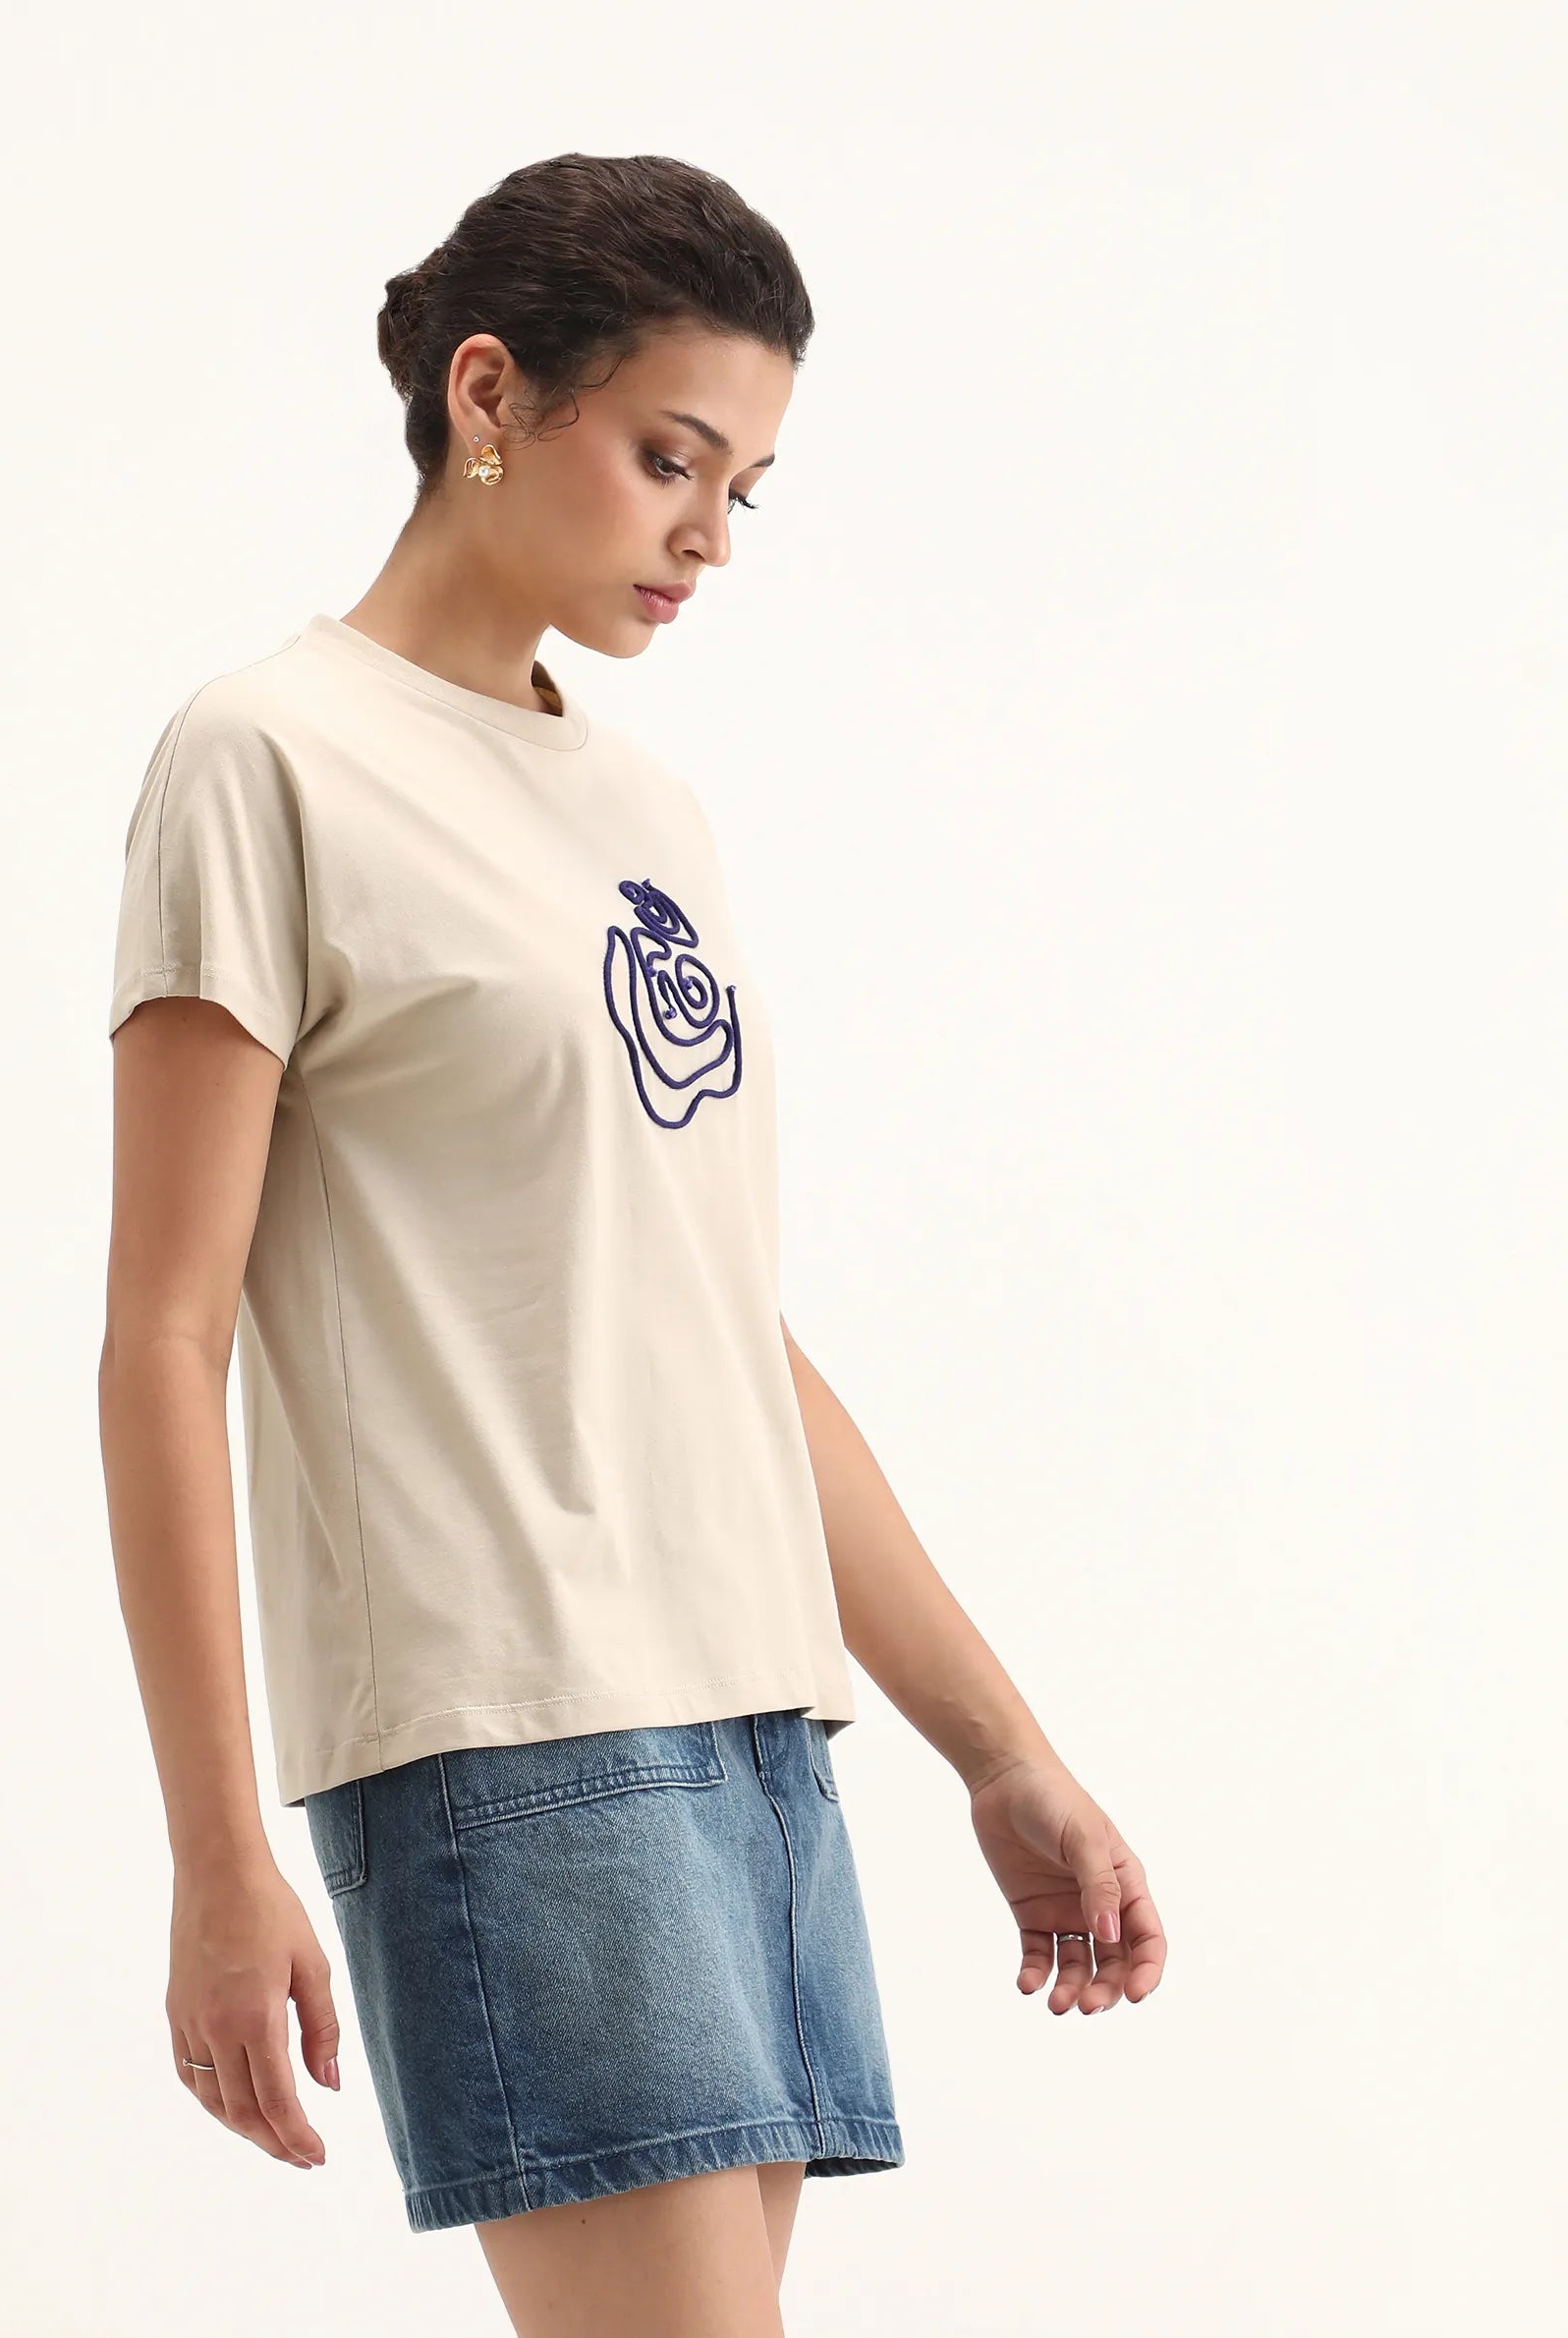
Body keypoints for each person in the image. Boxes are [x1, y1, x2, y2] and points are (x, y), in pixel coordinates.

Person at [98, 150, 1166, 2336]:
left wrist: (999, 1746)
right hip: (513, 1726)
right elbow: (164, 1332)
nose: (711, 537)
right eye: (673, 459)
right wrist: (217, 1849)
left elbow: (719, 1332)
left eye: (745, 487)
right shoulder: (269, 760)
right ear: (490, 394)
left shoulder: (644, 811)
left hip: (756, 1724)